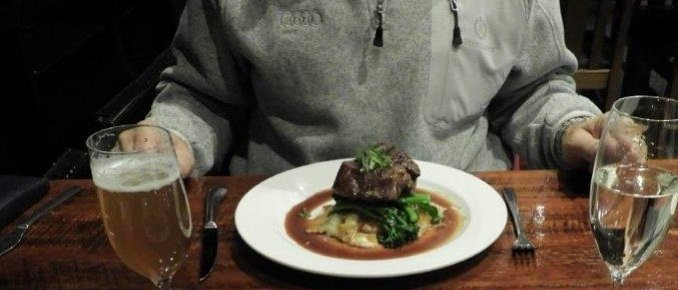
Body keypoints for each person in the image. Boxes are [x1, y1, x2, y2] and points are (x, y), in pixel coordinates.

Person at [136, 0, 606, 178]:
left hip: (466, 226)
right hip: (279, 229)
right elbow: (203, 94)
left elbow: (533, 90)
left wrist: (568, 128)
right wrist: (175, 134)